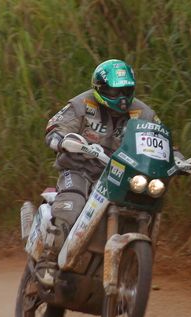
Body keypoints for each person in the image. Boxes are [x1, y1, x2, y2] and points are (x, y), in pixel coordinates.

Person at [37, 59, 165, 286]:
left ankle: (135, 270)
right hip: (79, 169)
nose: (121, 97)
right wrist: (62, 139)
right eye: (114, 91)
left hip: (120, 176)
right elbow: (55, 127)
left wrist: (179, 159)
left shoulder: (142, 112)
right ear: (99, 89)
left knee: (148, 203)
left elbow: (162, 142)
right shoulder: (81, 104)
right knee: (72, 202)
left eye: (126, 90)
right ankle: (48, 259)